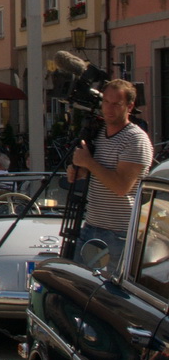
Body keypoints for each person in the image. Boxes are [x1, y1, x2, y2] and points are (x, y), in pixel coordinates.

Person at [68, 79, 153, 271]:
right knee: (78, 283)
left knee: (108, 288)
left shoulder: (135, 139)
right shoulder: (99, 134)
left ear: (129, 107)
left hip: (118, 233)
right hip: (91, 225)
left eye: (116, 104)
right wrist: (79, 171)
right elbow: (98, 172)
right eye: (106, 102)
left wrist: (88, 162)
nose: (109, 108)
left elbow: (121, 187)